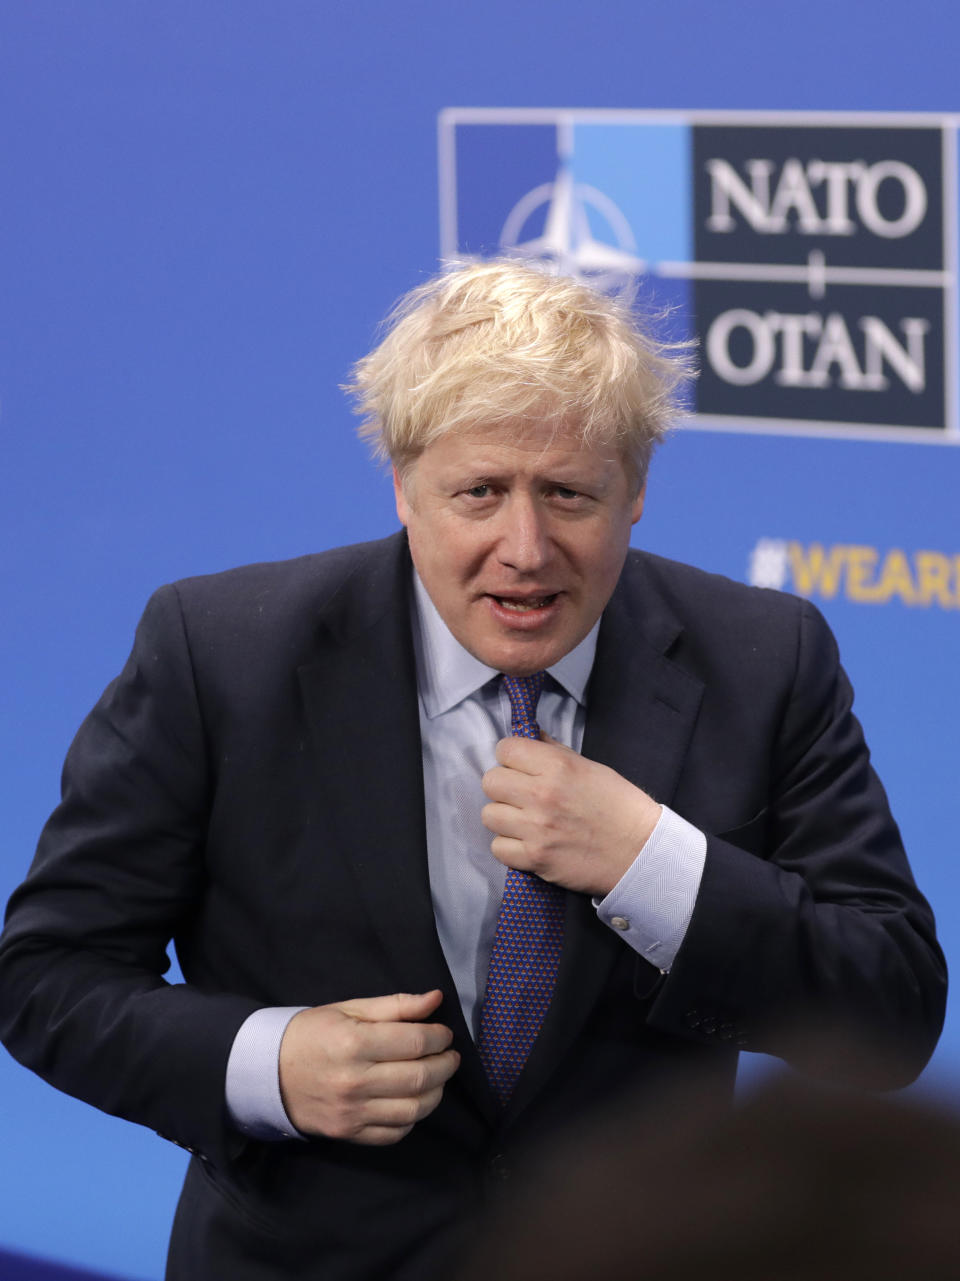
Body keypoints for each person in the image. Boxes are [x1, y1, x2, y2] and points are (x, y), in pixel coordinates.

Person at [0, 259, 946, 1281]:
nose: (525, 548)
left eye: (569, 494)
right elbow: (47, 978)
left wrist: (655, 863)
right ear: (405, 486)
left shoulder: (765, 659)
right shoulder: (220, 654)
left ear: (635, 492)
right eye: (480, 492)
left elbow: (889, 1012)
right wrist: (266, 1065)